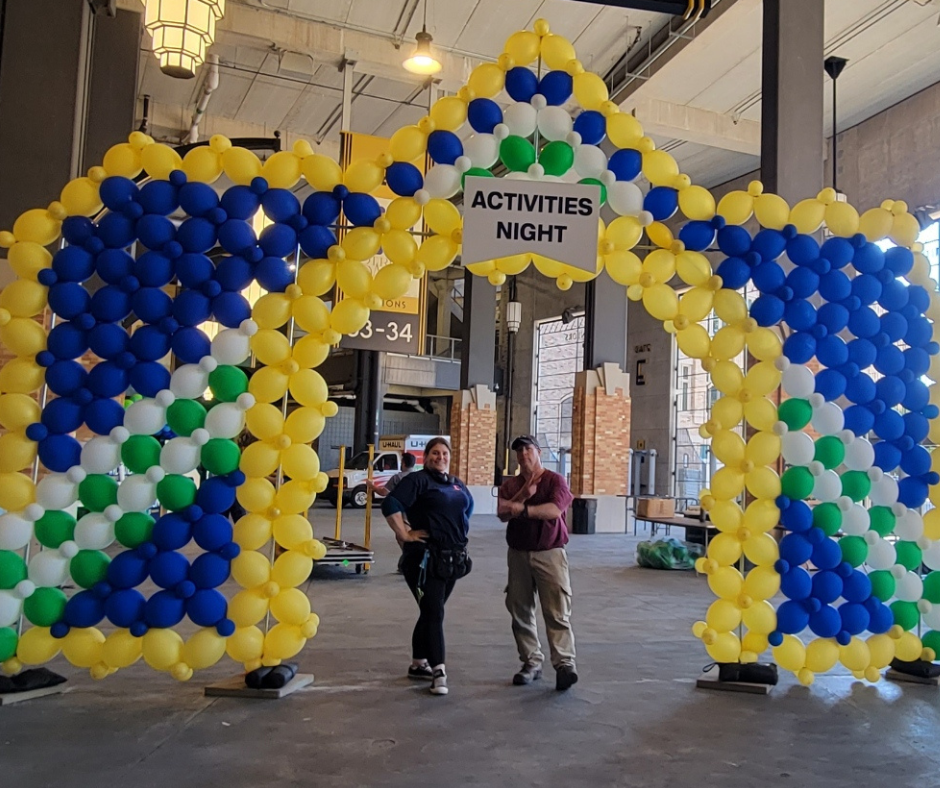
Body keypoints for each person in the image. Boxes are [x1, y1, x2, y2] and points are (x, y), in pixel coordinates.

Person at [382, 437, 473, 696]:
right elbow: (391, 504)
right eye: (434, 453)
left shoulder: (456, 484)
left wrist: (455, 530)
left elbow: (468, 507)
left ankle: (418, 663)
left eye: (444, 453)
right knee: (434, 612)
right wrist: (404, 533)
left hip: (451, 559)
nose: (440, 457)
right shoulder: (418, 481)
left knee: (432, 609)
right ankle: (439, 671)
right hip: (423, 560)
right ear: (425, 456)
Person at [497, 435, 577, 691]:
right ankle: (531, 662)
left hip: (549, 553)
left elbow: (554, 510)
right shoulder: (511, 485)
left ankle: (564, 664)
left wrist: (521, 509)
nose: (523, 455)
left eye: (528, 449)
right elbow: (501, 512)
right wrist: (523, 494)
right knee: (520, 610)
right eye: (519, 451)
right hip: (518, 554)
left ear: (539, 452)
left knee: (556, 611)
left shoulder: (556, 480)